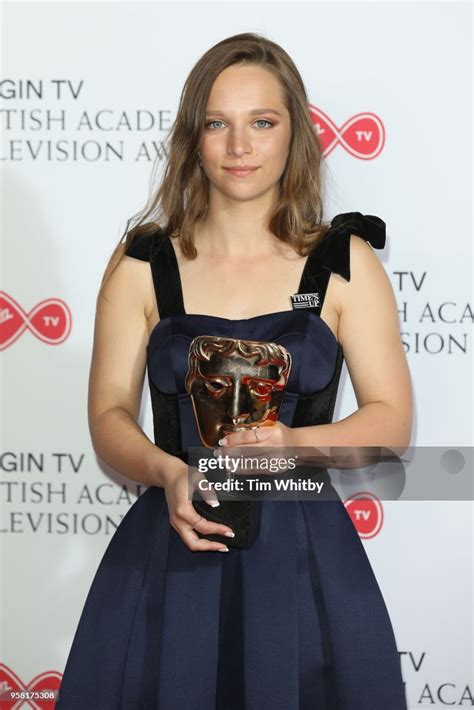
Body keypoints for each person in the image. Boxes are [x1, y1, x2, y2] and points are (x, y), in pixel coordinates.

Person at [57, 32, 412, 710]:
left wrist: (295, 444)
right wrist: (168, 472)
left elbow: (390, 421)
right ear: (194, 136)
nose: (240, 146)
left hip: (306, 560)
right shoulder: (140, 264)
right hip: (169, 547)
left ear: (294, 135)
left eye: (263, 123)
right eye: (218, 123)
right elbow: (107, 416)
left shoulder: (344, 264)